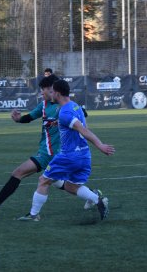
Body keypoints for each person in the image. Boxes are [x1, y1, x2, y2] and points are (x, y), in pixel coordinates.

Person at [0, 75, 100, 218]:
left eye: (44, 90)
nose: (42, 93)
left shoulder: (64, 107)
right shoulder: (44, 106)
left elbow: (81, 116)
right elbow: (29, 117)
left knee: (19, 172)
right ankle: (93, 196)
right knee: (62, 184)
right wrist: (18, 119)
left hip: (53, 153)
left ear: (53, 90)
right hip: (47, 150)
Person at [18, 79, 115, 221]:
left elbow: (82, 129)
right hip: (84, 156)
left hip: (69, 156)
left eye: (52, 92)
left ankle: (33, 215)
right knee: (70, 186)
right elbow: (83, 126)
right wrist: (59, 123)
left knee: (43, 180)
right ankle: (96, 199)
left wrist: (100, 145)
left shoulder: (64, 112)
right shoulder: (76, 107)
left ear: (57, 93)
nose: (50, 94)